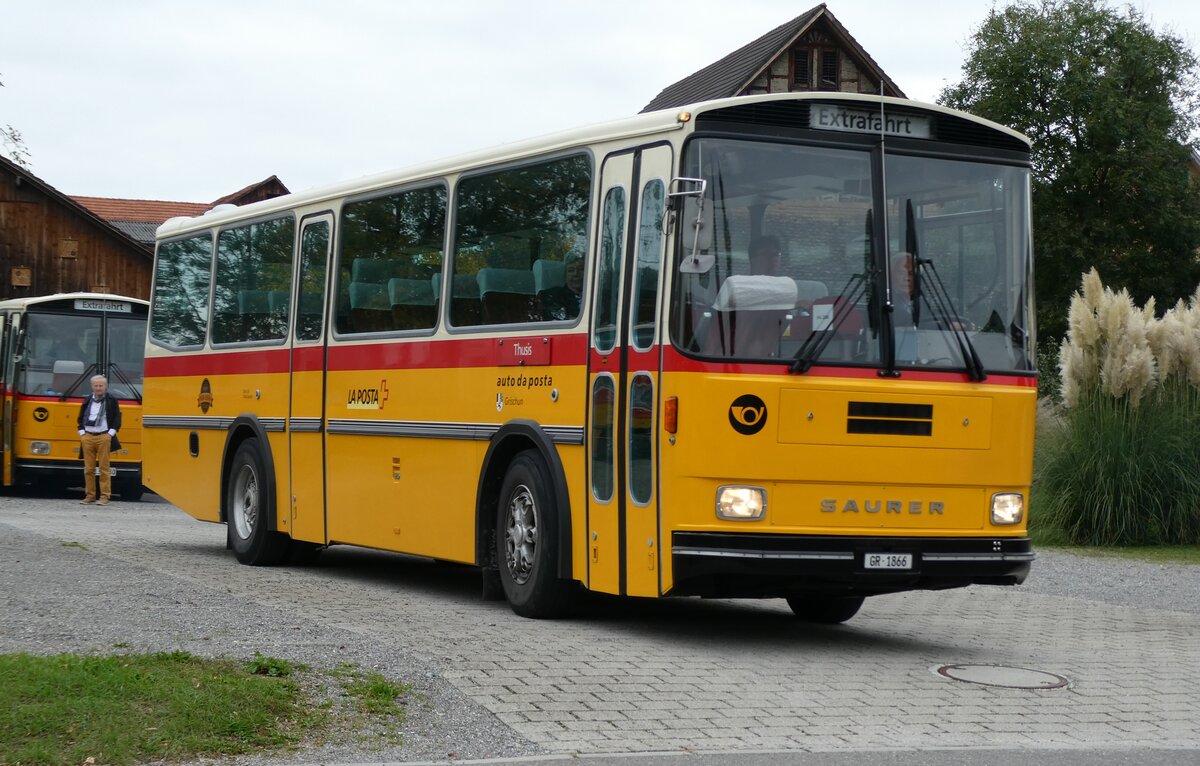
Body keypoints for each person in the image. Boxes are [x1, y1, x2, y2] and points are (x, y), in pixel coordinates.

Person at [77, 374, 122, 506]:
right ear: (92, 387)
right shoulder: (87, 400)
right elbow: (80, 418)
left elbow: (117, 418)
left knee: (104, 468)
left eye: (101, 385)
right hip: (88, 436)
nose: (98, 388)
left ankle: (104, 496)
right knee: (89, 469)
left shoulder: (111, 400)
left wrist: (110, 434)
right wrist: (82, 433)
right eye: (96, 386)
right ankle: (89, 496)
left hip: (104, 437)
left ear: (106, 387)